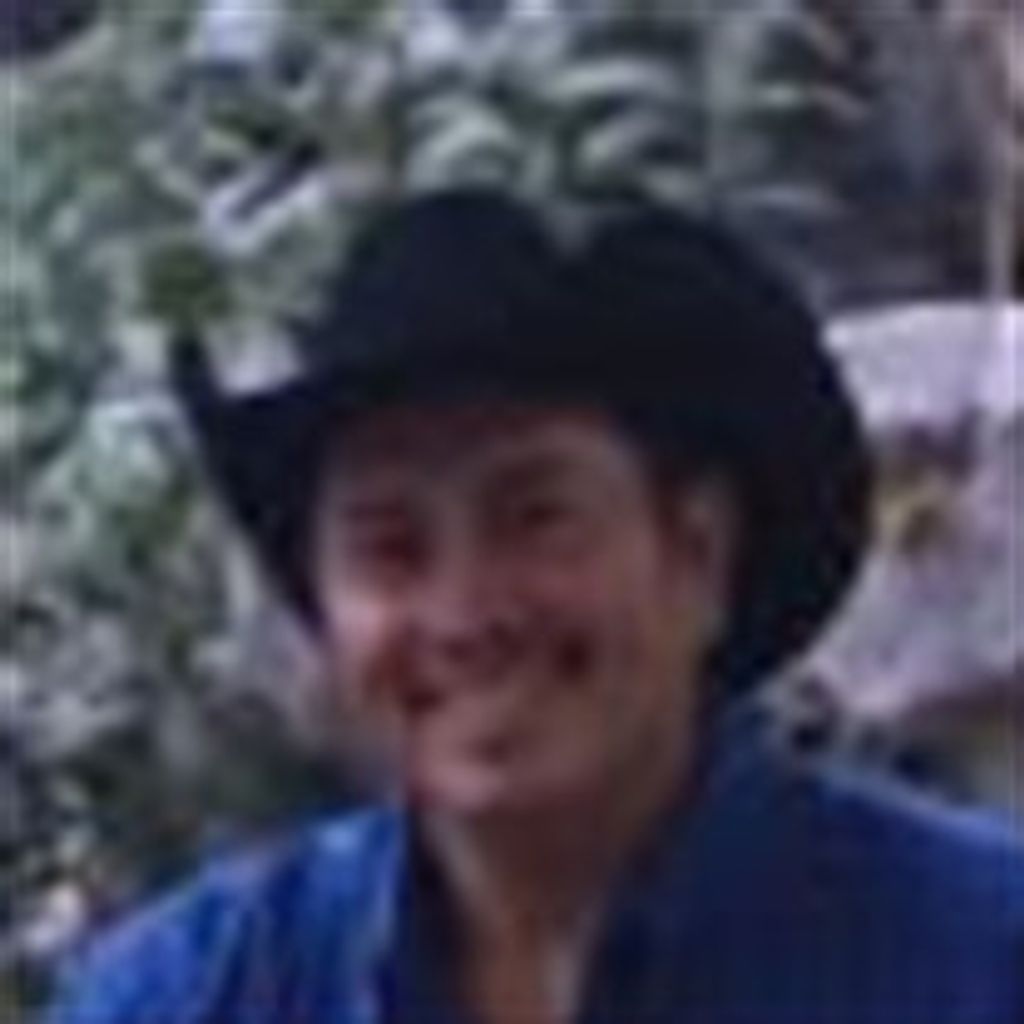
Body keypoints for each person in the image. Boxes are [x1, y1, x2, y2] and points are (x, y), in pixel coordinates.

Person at [47, 189, 1023, 1023]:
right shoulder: (192, 993)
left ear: (696, 552)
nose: (464, 615)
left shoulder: (979, 957)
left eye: (534, 517)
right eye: (392, 548)